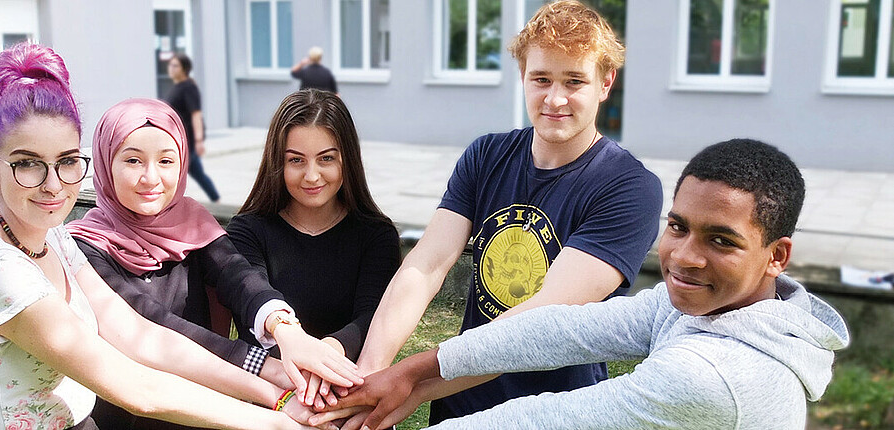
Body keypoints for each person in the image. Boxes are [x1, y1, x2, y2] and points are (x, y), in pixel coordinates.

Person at [0, 42, 338, 430]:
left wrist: (277, 395)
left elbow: (146, 338)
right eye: (28, 164)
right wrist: (277, 421)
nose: (54, 185)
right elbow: (136, 387)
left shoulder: (52, 239)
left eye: (67, 162)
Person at [319, 139, 851, 429]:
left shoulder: (711, 379)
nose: (684, 258)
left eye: (722, 241)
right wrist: (410, 373)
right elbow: (561, 329)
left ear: (776, 256)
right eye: (678, 227)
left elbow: (538, 421)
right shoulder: (712, 307)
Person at [352, 0, 664, 425]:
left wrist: (411, 380)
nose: (555, 98)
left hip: (554, 412)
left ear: (605, 83)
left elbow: (542, 317)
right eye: (541, 79)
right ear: (522, 77)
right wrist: (369, 374)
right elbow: (425, 267)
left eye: (574, 81)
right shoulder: (486, 156)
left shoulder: (629, 187)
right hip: (459, 406)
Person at [66, 97, 363, 429]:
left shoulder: (193, 223)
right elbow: (155, 324)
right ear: (106, 164)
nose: (151, 178)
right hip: (122, 414)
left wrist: (286, 330)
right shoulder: (83, 246)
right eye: (133, 160)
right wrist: (269, 370)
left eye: (166, 161)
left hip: (202, 411)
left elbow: (238, 277)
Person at [227, 89, 401, 407]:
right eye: (296, 160)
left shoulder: (377, 235)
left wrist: (324, 359)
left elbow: (373, 319)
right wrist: (305, 368)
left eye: (326, 159)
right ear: (276, 163)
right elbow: (254, 313)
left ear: (346, 160)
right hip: (271, 399)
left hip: (351, 394)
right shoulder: (247, 232)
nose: (312, 175)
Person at [165, 53, 219, 202]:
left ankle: (216, 201)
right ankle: (216, 200)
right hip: (179, 139)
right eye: (170, 65)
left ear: (184, 68)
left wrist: (199, 140)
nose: (171, 68)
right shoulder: (178, 87)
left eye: (175, 65)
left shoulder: (188, 87)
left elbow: (196, 114)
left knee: (178, 174)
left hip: (187, 140)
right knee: (195, 173)